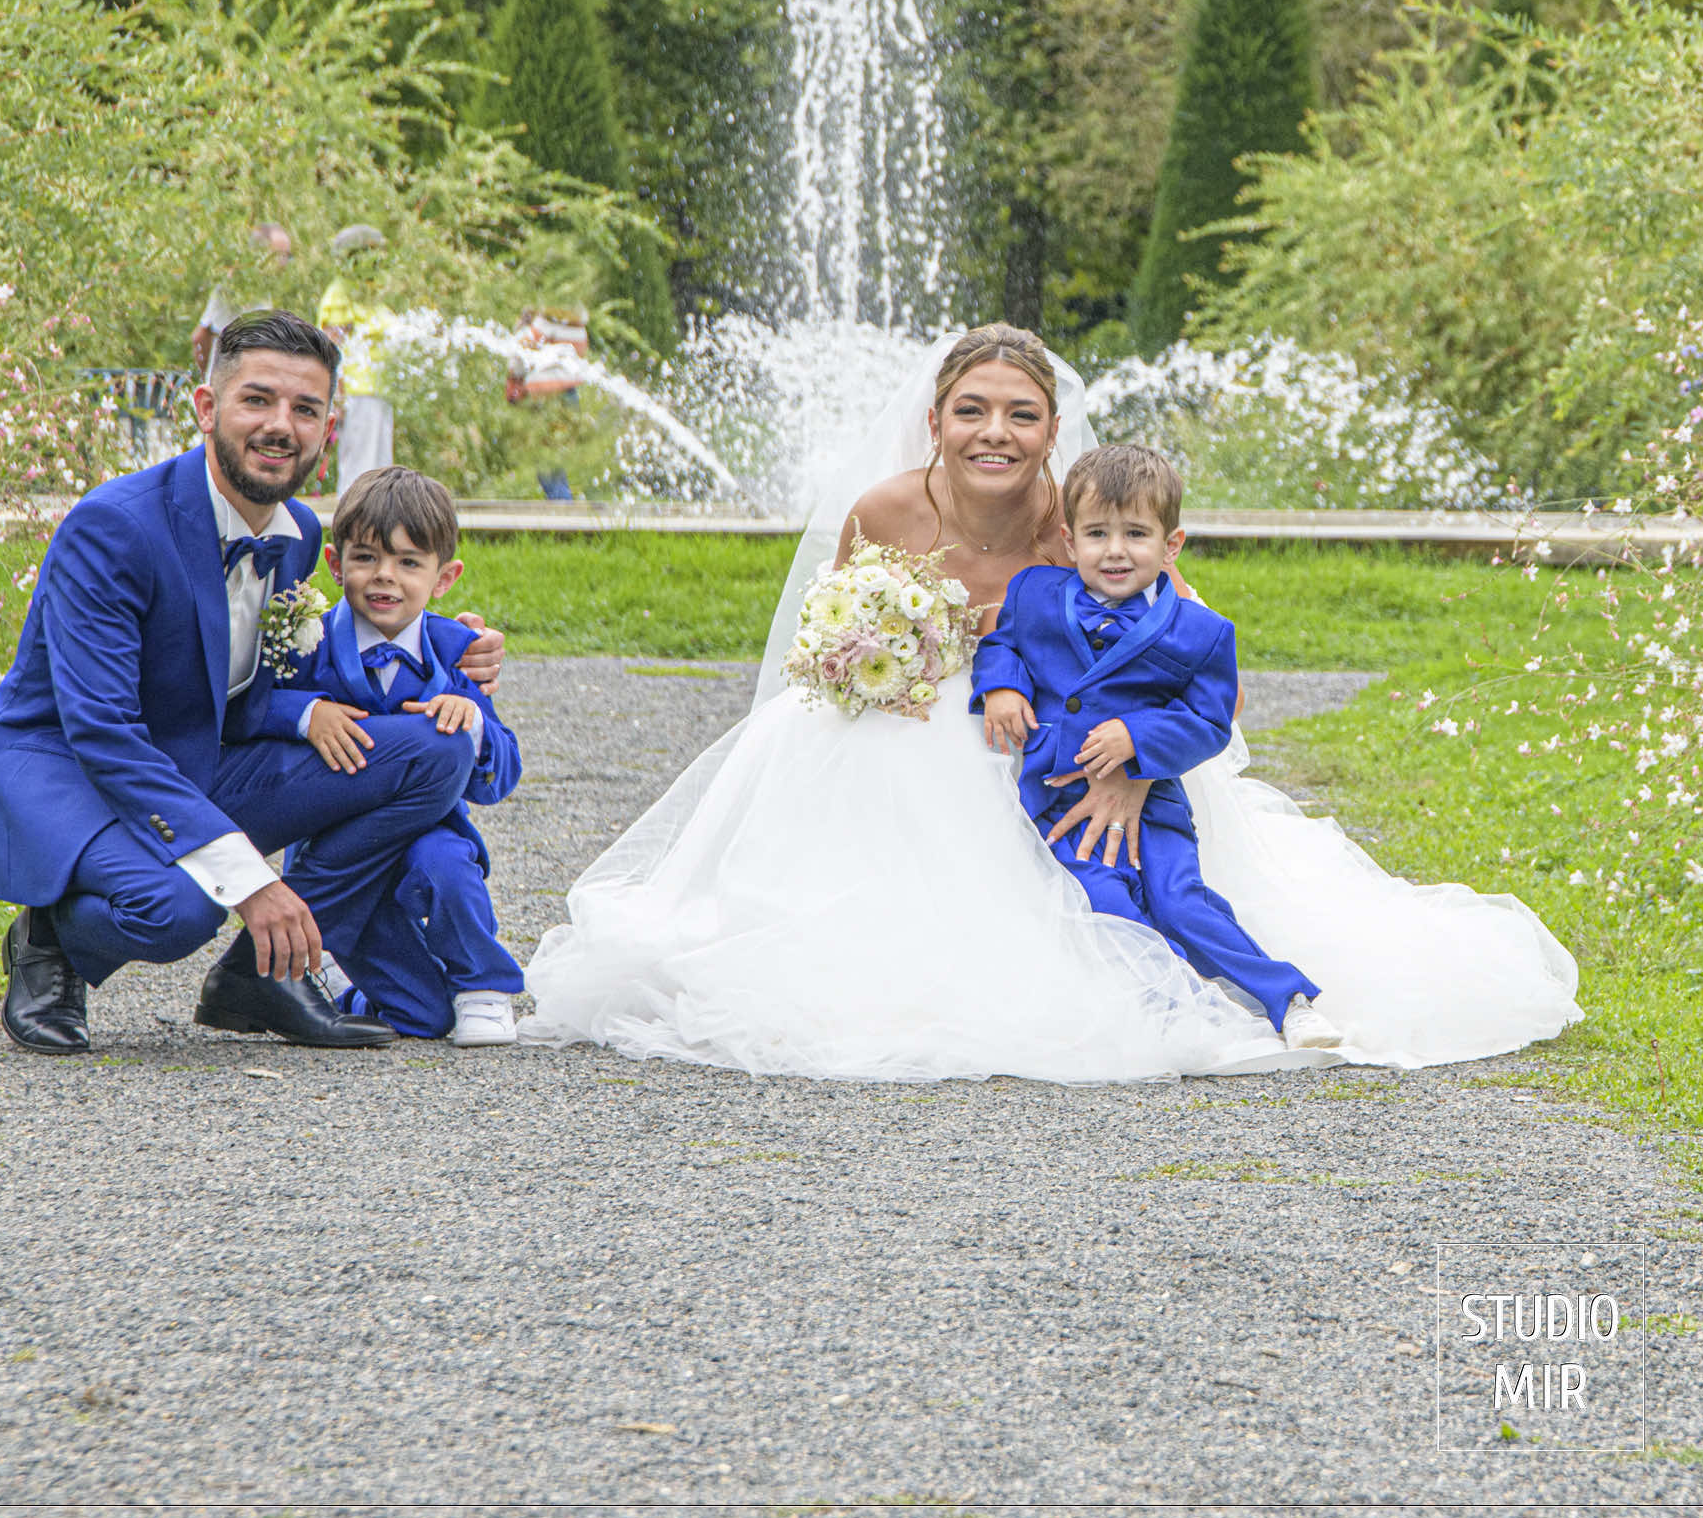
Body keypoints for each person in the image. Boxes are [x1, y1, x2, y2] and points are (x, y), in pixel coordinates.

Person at [523, 323, 1582, 1080]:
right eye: (971, 410)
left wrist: (1131, 764)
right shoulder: (884, 508)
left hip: (1077, 750)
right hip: (905, 734)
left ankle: (1230, 976)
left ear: (1050, 428)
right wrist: (870, 661)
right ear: (932, 420)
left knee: (1142, 862)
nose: (995, 431)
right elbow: (824, 646)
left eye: (1019, 414)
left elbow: (1208, 676)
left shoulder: (1087, 521)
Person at [0, 311, 505, 1057]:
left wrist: (458, 654)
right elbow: (100, 729)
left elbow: (286, 677)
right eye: (257, 401)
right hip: (72, 767)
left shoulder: (297, 537)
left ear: (326, 435)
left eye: (305, 410)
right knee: (182, 906)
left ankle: (259, 977)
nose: (280, 426)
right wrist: (251, 882)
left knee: (435, 750)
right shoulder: (113, 527)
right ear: (207, 410)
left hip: (198, 755)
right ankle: (53, 938)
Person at [975, 442, 1343, 1054]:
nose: (1114, 551)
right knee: (1105, 900)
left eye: (1135, 534)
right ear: (1070, 541)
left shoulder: (1202, 633)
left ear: (1170, 546)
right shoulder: (1034, 593)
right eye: (1097, 533)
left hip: (1153, 803)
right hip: (1057, 799)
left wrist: (1137, 737)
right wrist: (1003, 689)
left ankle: (1288, 1000)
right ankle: (1178, 1004)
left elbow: (1209, 720)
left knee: (1181, 901)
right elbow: (1002, 646)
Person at [287, 466, 525, 1047]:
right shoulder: (307, 641)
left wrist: (470, 728)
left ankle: (485, 984)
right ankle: (363, 986)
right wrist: (305, 714)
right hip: (339, 844)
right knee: (422, 1020)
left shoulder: (455, 652)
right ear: (336, 563)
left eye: (409, 563)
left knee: (446, 865)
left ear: (445, 578)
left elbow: (501, 775)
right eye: (366, 558)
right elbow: (256, 708)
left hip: (428, 831)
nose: (384, 578)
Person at [318, 224, 399, 496]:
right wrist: (336, 397)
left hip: (379, 391)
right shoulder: (340, 294)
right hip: (356, 394)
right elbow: (332, 350)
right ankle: (351, 530)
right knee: (359, 470)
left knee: (381, 470)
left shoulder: (370, 296)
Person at [192, 222, 293, 376]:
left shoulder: (264, 288)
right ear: (259, 253)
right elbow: (200, 336)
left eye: (287, 256)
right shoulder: (234, 288)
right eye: (279, 256)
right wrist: (208, 376)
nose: (284, 263)